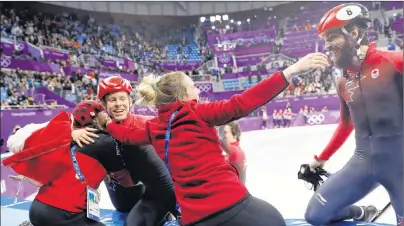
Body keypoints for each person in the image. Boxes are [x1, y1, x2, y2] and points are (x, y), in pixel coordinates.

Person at [95, 52, 330, 226]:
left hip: (193, 217)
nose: (198, 91)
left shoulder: (153, 127)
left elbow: (125, 134)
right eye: (194, 87)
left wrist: (107, 124)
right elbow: (243, 103)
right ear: (184, 96)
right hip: (230, 202)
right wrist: (290, 71)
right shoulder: (198, 111)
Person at [304, 3, 403, 225]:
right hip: (363, 164)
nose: (327, 46)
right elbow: (345, 125)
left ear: (355, 33)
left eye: (331, 37)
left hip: (400, 166)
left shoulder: (395, 63)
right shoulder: (342, 81)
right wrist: (322, 158)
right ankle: (361, 212)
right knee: (315, 216)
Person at [3, 101, 137, 226]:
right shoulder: (105, 142)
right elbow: (127, 181)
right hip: (65, 213)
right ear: (95, 117)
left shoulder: (68, 139)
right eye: (103, 113)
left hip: (39, 208)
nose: (107, 116)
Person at [73, 76, 178, 226]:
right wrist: (73, 132)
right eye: (112, 100)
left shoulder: (145, 124)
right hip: (121, 202)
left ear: (130, 101)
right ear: (103, 104)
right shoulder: (96, 132)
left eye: (122, 99)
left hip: (151, 195)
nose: (118, 104)